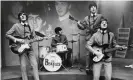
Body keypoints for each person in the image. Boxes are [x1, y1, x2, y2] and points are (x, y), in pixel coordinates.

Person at [6, 12, 42, 80]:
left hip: (29, 47)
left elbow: (33, 37)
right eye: (21, 15)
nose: (23, 16)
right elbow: (7, 35)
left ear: (26, 17)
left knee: (35, 64)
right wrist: (16, 39)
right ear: (19, 17)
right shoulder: (16, 26)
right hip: (21, 48)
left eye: (24, 15)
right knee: (23, 66)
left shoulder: (30, 26)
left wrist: (39, 38)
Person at [77, 2, 103, 72]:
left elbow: (104, 25)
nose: (93, 8)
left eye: (94, 6)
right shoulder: (86, 18)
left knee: (97, 52)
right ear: (89, 9)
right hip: (89, 37)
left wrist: (100, 29)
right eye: (92, 7)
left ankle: (96, 67)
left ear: (96, 8)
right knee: (88, 53)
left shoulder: (100, 16)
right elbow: (82, 27)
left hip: (97, 37)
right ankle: (87, 68)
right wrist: (79, 24)